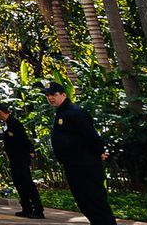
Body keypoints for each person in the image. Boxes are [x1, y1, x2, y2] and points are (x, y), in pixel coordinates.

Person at [44, 82, 116, 225]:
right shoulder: (61, 113)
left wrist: (99, 152)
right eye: (48, 95)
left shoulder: (75, 113)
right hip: (74, 166)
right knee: (85, 203)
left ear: (63, 95)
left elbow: (92, 137)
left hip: (85, 166)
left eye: (54, 94)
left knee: (95, 202)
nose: (50, 98)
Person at [0, 103, 44, 219]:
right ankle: (26, 208)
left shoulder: (15, 123)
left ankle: (38, 210)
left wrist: (31, 152)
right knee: (19, 184)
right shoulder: (6, 124)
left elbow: (24, 139)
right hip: (14, 159)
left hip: (21, 158)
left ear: (1, 112)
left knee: (28, 184)